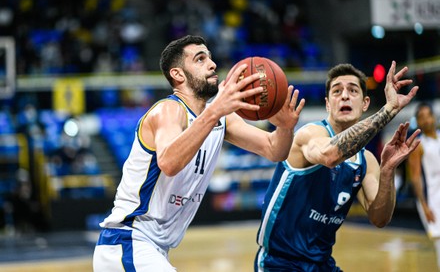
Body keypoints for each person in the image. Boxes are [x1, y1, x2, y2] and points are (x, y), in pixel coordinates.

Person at [92, 35, 305, 271]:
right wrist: (214, 111)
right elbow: (169, 163)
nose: (212, 64)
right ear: (178, 74)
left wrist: (286, 127)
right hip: (127, 240)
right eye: (200, 59)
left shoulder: (221, 118)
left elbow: (274, 150)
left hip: (152, 249)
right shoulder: (168, 110)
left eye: (210, 58)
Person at [255, 61, 420, 271]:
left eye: (353, 90)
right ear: (327, 104)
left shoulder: (366, 161)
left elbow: (380, 218)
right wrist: (389, 109)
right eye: (337, 91)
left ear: (365, 103)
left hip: (322, 264)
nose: (344, 96)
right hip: (280, 263)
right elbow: (330, 155)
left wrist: (387, 170)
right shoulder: (310, 133)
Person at [407, 102, 440, 270]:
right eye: (422, 117)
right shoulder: (418, 145)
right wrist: (424, 206)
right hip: (433, 200)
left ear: (434, 117)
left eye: (428, 115)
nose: (426, 120)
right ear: (418, 122)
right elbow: (416, 178)